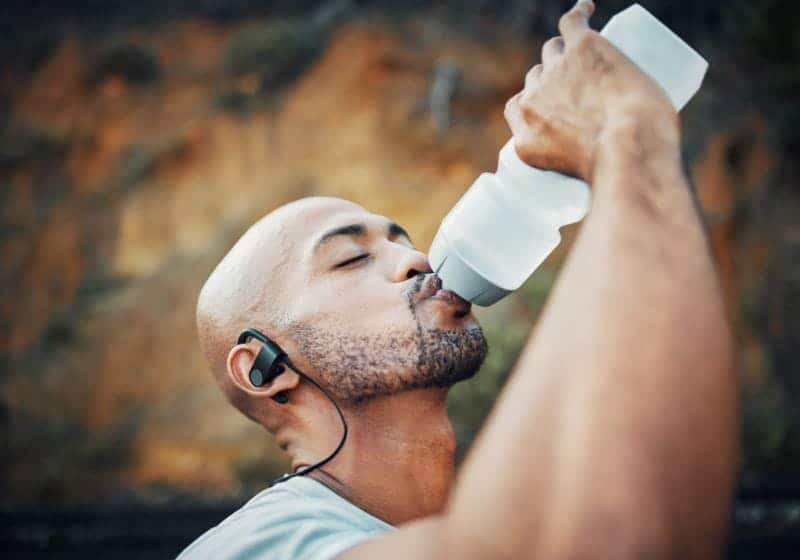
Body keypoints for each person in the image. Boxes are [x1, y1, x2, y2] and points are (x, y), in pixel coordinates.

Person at [178, 1, 738, 558]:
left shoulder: (460, 522)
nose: (414, 260)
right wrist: (630, 136)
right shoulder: (260, 545)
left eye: (401, 240)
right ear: (263, 369)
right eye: (351, 259)